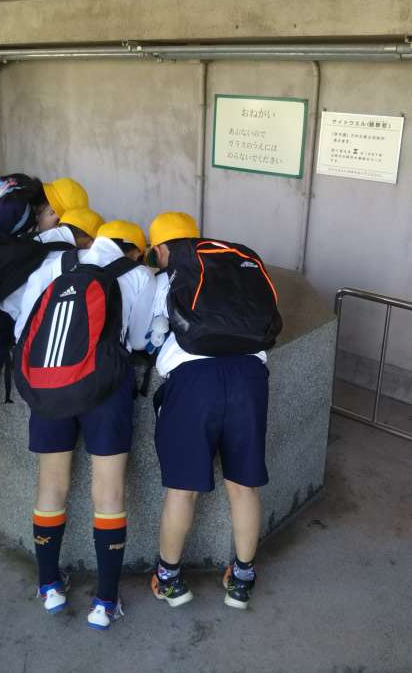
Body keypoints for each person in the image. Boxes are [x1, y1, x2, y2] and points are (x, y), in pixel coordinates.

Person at [14, 220, 155, 630]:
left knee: (50, 485)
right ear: (136, 250)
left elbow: (25, 328)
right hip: (105, 389)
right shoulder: (138, 275)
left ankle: (49, 586)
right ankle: (105, 602)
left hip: (50, 385)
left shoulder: (54, 266)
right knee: (109, 491)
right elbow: (141, 339)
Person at [148, 212, 275, 611]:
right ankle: (241, 580)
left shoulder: (168, 278)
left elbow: (148, 336)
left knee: (182, 490)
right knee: (243, 486)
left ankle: (170, 580)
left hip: (194, 381)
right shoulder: (233, 266)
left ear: (162, 249)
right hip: (249, 376)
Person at [0, 207, 103, 394]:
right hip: (8, 318)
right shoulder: (63, 256)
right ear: (89, 240)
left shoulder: (37, 237)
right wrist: (21, 338)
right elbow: (36, 294)